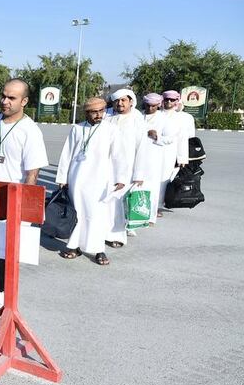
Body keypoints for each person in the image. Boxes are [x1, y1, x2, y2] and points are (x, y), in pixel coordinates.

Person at [0, 78, 48, 309]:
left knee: (4, 246)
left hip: (10, 195)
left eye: (12, 98)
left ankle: (0, 288)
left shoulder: (30, 131)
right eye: (4, 96)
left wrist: (23, 207)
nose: (4, 101)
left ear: (25, 101)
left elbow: (32, 172)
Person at [56, 97, 126, 266]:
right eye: (94, 112)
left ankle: (98, 249)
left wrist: (121, 178)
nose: (98, 115)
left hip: (100, 179)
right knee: (78, 213)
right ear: (86, 113)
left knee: (96, 214)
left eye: (101, 111)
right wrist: (62, 177)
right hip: (77, 178)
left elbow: (118, 155)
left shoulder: (111, 129)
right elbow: (67, 154)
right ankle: (74, 246)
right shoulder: (77, 129)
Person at [105, 89, 147, 247]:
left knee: (119, 202)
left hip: (127, 169)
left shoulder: (137, 119)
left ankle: (117, 235)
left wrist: (139, 173)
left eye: (123, 100)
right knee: (105, 201)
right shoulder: (107, 116)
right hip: (107, 167)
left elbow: (142, 148)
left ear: (131, 102)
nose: (120, 103)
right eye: (117, 101)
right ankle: (103, 232)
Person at [139, 93, 173, 223]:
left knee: (152, 188)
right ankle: (136, 213)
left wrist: (157, 136)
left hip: (153, 157)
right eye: (147, 105)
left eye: (153, 106)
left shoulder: (163, 119)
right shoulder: (138, 116)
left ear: (158, 105)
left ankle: (150, 216)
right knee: (137, 185)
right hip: (137, 155)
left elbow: (170, 139)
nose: (150, 108)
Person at [158, 90, 189, 211]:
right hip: (153, 152)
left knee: (164, 179)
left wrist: (182, 158)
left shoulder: (179, 119)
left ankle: (159, 205)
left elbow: (182, 139)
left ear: (177, 101)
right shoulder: (156, 115)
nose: (169, 102)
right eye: (167, 99)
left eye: (172, 100)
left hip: (169, 153)